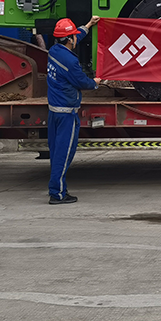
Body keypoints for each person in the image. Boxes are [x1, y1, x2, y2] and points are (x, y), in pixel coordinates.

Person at [46, 16, 102, 204]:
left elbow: (77, 35)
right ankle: (58, 194)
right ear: (69, 40)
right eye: (74, 36)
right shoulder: (70, 61)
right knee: (64, 153)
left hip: (54, 111)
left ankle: (56, 188)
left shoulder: (53, 51)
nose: (76, 38)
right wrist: (95, 82)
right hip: (66, 113)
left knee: (56, 152)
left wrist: (89, 25)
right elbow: (82, 82)